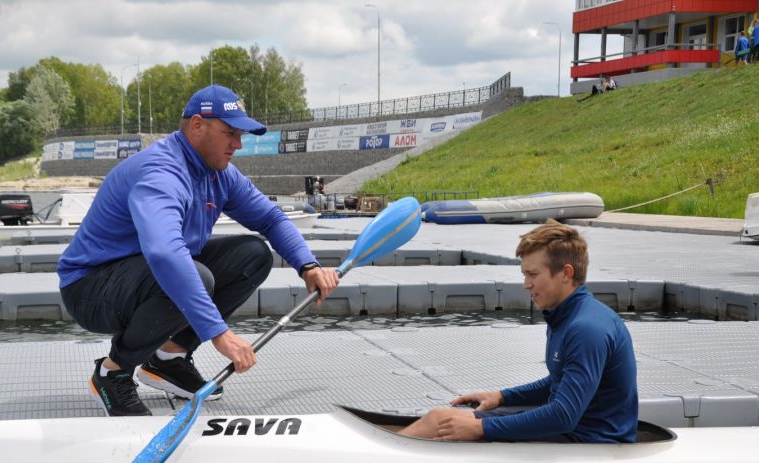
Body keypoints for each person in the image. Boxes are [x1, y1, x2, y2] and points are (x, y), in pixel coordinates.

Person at [58, 84, 340, 416]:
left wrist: (308, 265)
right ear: (197, 126)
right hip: (90, 288)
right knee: (195, 274)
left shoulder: (221, 174)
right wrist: (219, 334)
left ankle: (168, 358)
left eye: (241, 135)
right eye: (229, 133)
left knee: (253, 254)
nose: (237, 144)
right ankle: (113, 371)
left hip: (140, 276)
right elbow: (165, 254)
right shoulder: (162, 172)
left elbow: (271, 218)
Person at [399, 220, 639, 443]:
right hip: (574, 431)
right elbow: (559, 382)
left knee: (440, 420)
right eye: (525, 274)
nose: (526, 284)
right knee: (442, 418)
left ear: (566, 273)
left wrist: (481, 429)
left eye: (533, 274)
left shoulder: (586, 328)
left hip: (593, 442)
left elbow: (564, 415)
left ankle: (379, 458)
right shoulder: (567, 316)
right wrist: (502, 397)